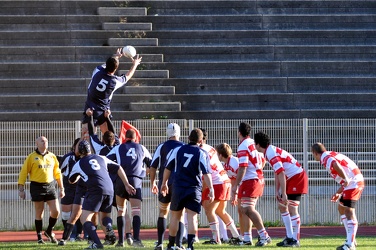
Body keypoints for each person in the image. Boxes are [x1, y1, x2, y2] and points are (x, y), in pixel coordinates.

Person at [69, 140, 136, 249]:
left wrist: (78, 175)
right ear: (90, 149)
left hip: (95, 189)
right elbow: (118, 167)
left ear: (79, 152)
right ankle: (109, 227)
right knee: (104, 217)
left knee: (85, 218)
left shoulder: (79, 164)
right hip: (109, 188)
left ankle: (97, 243)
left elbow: (71, 180)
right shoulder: (101, 157)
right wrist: (127, 184)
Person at [161, 128, 215, 250]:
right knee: (192, 216)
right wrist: (211, 188)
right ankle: (190, 245)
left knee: (175, 216)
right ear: (201, 140)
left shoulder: (178, 150)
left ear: (188, 138)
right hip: (193, 188)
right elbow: (206, 173)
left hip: (178, 187)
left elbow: (168, 168)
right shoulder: (202, 153)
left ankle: (171, 245)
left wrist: (164, 183)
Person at [254, 132, 308, 247]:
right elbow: (277, 172)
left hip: (297, 177)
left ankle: (295, 239)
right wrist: (277, 191)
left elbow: (281, 172)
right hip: (290, 177)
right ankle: (289, 237)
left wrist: (283, 192)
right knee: (282, 206)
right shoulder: (269, 151)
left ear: (258, 144)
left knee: (292, 207)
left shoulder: (270, 152)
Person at [311, 143, 364, 250]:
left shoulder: (325, 157)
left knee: (349, 211)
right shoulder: (328, 154)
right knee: (341, 208)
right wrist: (339, 192)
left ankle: (350, 245)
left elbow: (335, 164)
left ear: (315, 153)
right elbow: (344, 176)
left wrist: (346, 179)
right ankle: (351, 239)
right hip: (352, 181)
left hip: (354, 182)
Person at [107, 129, 152, 247]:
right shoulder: (142, 148)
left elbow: (106, 161)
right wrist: (144, 172)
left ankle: (121, 241)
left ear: (125, 137)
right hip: (136, 180)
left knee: (121, 211)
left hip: (122, 180)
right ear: (136, 137)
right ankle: (136, 240)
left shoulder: (118, 148)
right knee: (136, 211)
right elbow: (152, 165)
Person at [82, 48, 142, 136]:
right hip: (103, 112)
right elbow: (128, 76)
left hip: (90, 109)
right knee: (110, 139)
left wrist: (116, 56)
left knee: (86, 140)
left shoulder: (97, 70)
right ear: (116, 68)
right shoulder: (114, 81)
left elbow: (108, 64)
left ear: (106, 64)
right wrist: (135, 64)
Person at [17, 136, 65, 244]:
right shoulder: (31, 157)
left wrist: (62, 188)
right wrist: (21, 189)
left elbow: (57, 173)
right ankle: (39, 237)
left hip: (50, 185)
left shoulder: (52, 156)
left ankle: (49, 230)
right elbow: (24, 172)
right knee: (39, 212)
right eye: (42, 141)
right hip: (36, 186)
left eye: (46, 141)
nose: (45, 142)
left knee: (56, 211)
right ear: (36, 144)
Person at [232, 122, 271, 247]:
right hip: (254, 178)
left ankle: (264, 235)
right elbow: (263, 159)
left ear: (239, 132)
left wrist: (235, 185)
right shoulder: (252, 143)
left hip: (251, 180)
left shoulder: (243, 145)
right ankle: (247, 238)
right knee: (244, 209)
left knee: (248, 209)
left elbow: (243, 167)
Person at [199, 129, 241, 245]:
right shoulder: (210, 147)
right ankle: (236, 235)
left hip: (217, 182)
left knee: (209, 210)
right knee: (220, 211)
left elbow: (207, 173)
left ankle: (216, 238)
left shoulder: (200, 150)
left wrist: (202, 189)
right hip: (224, 180)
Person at [149, 123, 185, 250]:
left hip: (164, 183)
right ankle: (179, 244)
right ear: (179, 133)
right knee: (179, 214)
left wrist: (152, 182)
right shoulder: (184, 146)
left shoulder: (162, 146)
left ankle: (160, 243)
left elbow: (152, 166)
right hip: (179, 184)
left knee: (163, 212)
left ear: (167, 133)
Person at [216, 143, 253, 245]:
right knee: (240, 211)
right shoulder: (226, 164)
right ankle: (241, 235)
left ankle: (246, 235)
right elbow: (233, 179)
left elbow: (241, 175)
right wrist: (234, 194)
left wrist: (236, 191)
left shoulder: (234, 162)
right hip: (239, 187)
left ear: (220, 155)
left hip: (246, 185)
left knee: (244, 211)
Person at [58, 138, 84, 245]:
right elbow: (59, 170)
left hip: (81, 188)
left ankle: (77, 235)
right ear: (74, 147)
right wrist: (61, 186)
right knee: (65, 213)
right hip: (68, 187)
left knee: (78, 213)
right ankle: (68, 234)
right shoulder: (68, 157)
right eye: (79, 145)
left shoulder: (86, 158)